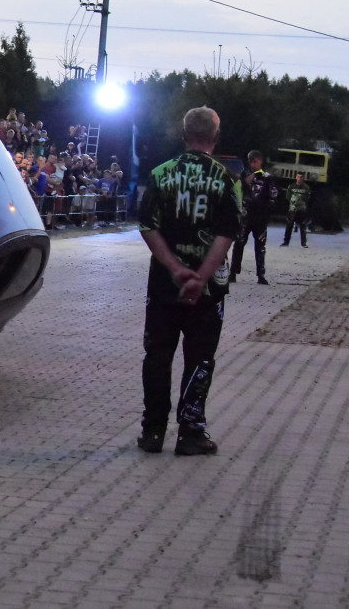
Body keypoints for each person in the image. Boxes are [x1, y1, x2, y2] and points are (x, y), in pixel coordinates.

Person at [135, 106, 242, 456]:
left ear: (183, 136)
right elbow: (228, 234)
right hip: (209, 291)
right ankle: (190, 432)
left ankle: (152, 432)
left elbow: (147, 225)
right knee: (201, 357)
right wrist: (200, 276)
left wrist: (174, 268)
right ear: (215, 137)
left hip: (164, 286)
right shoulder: (227, 180)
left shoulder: (161, 174)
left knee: (157, 355)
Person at [230, 150, 275, 284]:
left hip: (260, 218)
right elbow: (235, 191)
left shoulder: (267, 177)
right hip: (245, 217)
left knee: (260, 246)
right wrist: (245, 182)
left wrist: (267, 213)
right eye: (251, 161)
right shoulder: (244, 175)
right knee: (239, 243)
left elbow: (273, 196)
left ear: (260, 161)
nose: (253, 164)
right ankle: (233, 272)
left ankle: (260, 275)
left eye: (255, 161)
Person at [282, 172, 311, 248]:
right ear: (296, 178)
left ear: (303, 178)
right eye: (298, 177)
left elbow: (308, 198)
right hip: (292, 209)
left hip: (302, 209)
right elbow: (288, 196)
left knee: (303, 226)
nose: (300, 179)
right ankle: (286, 242)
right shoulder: (291, 186)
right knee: (289, 226)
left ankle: (303, 243)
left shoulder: (306, 187)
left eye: (301, 177)